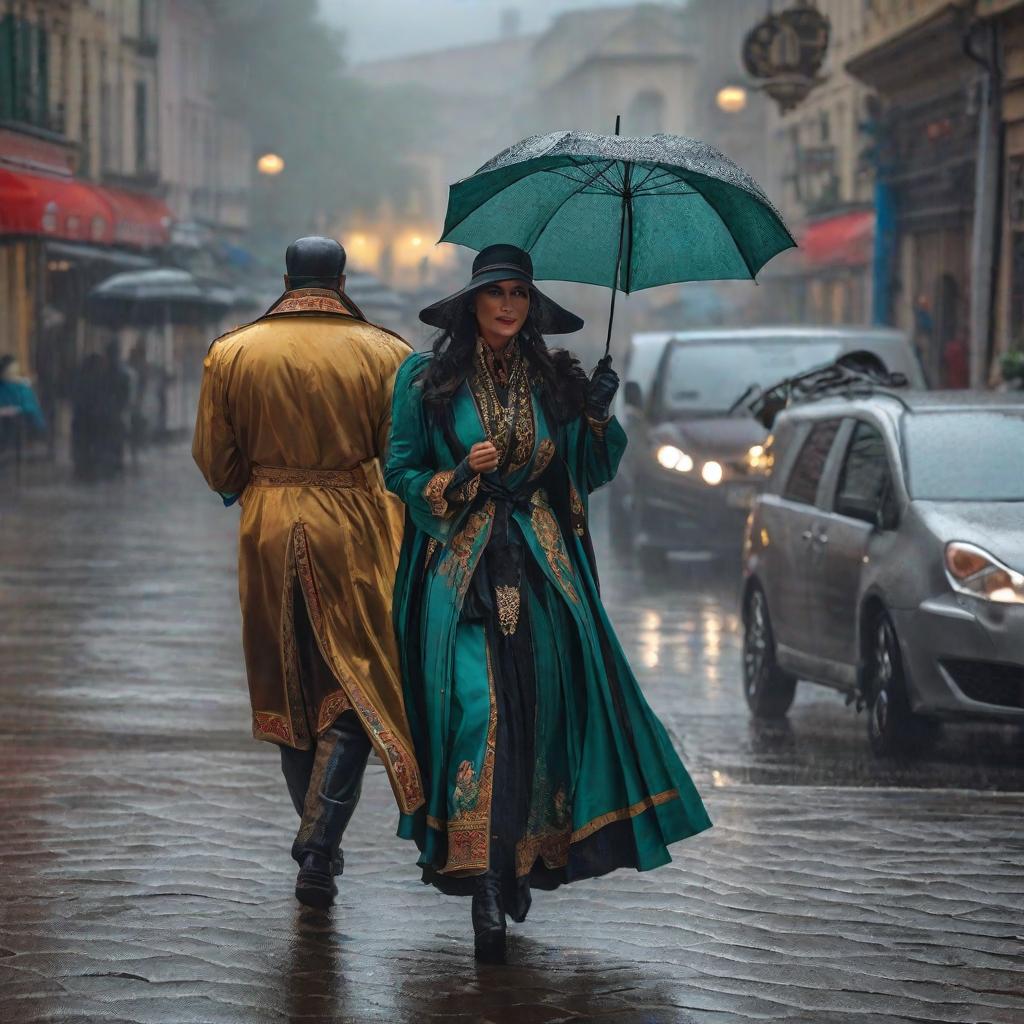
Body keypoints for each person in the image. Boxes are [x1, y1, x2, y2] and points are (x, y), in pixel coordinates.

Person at [384, 244, 711, 963]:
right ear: (470, 301)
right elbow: (399, 471)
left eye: (520, 295)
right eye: (496, 292)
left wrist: (595, 418)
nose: (508, 305)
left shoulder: (553, 378)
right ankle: (485, 893)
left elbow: (586, 474)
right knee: (479, 713)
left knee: (538, 716)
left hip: (540, 570)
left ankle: (516, 861)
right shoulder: (426, 378)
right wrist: (456, 476)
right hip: (461, 573)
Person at [192, 236, 425, 909]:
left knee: (289, 698)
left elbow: (216, 463)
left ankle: (317, 841)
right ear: (343, 278)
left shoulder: (233, 350)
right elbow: (401, 454)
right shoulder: (388, 353)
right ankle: (319, 845)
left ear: (286, 276)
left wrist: (257, 482)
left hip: (266, 526)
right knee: (354, 685)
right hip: (354, 522)